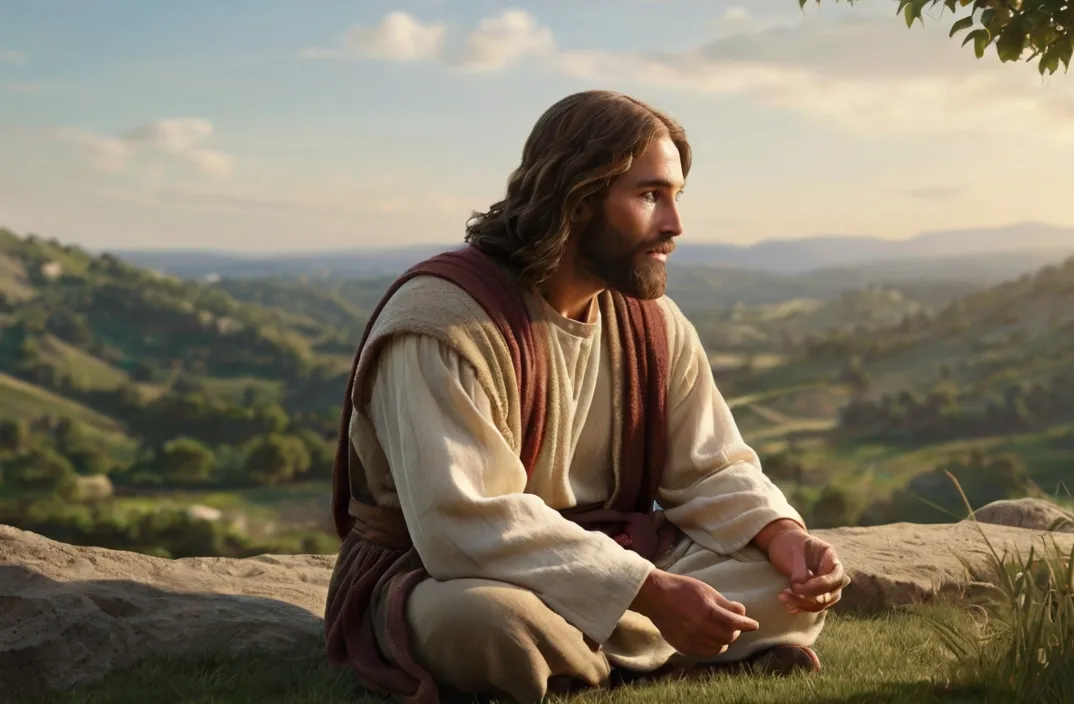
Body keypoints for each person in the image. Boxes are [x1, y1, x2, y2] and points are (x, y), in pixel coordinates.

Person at [323, 89, 851, 704]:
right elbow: (463, 521)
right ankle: (664, 649)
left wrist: (785, 539)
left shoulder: (654, 323)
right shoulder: (442, 323)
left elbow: (710, 469)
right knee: (492, 627)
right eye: (651, 195)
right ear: (577, 198)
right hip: (449, 572)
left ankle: (596, 656)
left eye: (676, 197)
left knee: (778, 586)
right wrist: (649, 592)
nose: (675, 225)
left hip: (619, 557)